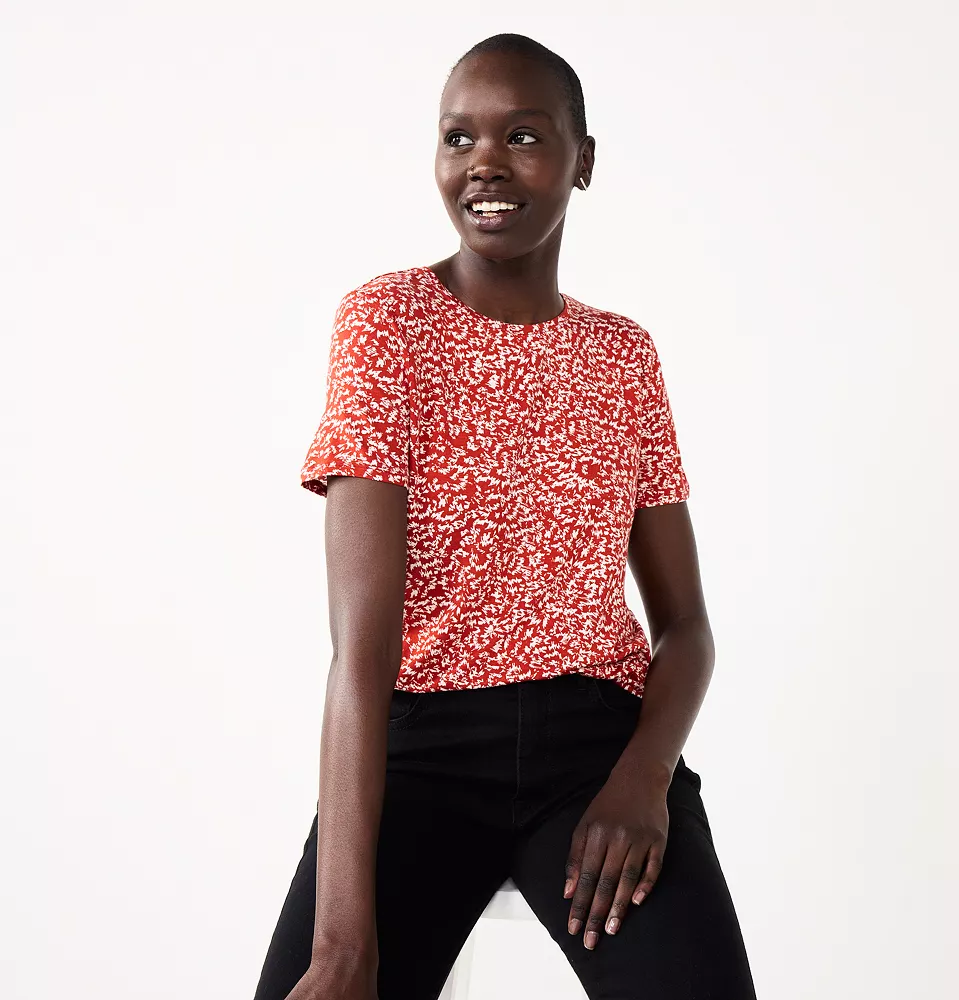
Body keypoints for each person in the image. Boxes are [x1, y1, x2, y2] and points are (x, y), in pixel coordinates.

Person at [252, 32, 757, 1000]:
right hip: (420, 753)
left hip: (596, 753)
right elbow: (360, 651)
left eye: (522, 136)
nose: (483, 163)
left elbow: (687, 628)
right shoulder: (387, 323)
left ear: (583, 159)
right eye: (459, 138)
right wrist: (343, 944)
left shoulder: (623, 356)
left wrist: (644, 777)